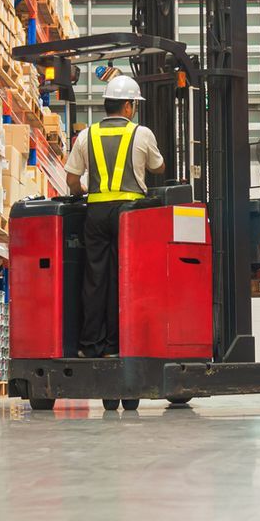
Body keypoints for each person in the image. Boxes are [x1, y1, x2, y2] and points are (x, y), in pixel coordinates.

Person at [64, 74, 166, 357]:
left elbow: (72, 179)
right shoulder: (141, 134)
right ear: (128, 107)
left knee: (95, 278)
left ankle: (90, 345)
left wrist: (81, 191)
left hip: (95, 213)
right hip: (130, 216)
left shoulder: (86, 135)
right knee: (127, 277)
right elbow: (159, 167)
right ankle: (119, 344)